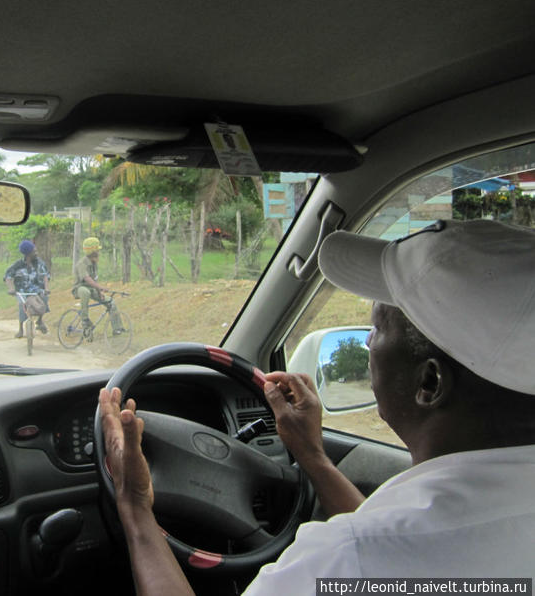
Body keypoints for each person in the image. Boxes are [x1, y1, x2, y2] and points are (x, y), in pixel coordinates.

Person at [100, 219, 535, 594]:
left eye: (377, 329)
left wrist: (136, 506)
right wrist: (312, 457)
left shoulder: (347, 558)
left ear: (429, 382)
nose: (366, 343)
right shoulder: (382, 553)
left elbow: (377, 555)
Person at [73, 237, 124, 335]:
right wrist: (100, 287)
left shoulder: (94, 263)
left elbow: (94, 280)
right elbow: (87, 279)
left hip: (92, 288)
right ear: (92, 251)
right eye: (97, 250)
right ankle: (85, 320)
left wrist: (99, 292)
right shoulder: (82, 263)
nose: (99, 252)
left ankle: (117, 328)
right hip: (80, 288)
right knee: (85, 292)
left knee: (111, 302)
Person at [4, 239, 51, 337]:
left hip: (37, 291)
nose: (37, 253)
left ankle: (40, 321)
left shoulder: (39, 263)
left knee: (44, 299)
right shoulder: (17, 265)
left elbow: (45, 275)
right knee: (22, 305)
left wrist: (46, 288)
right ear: (28, 254)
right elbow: (8, 277)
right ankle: (21, 329)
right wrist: (11, 288)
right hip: (22, 292)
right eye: (34, 252)